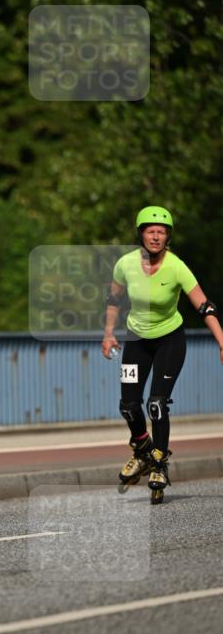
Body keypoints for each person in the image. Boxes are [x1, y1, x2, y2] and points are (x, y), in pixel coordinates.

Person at [102, 206, 223, 502]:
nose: (156, 237)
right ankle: (142, 450)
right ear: (141, 234)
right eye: (150, 231)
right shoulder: (125, 265)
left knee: (156, 403)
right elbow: (113, 298)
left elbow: (204, 305)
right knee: (129, 406)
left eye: (161, 232)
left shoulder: (177, 267)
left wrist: (222, 340)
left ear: (168, 237)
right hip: (136, 340)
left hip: (170, 340)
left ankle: (159, 463)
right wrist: (108, 333)